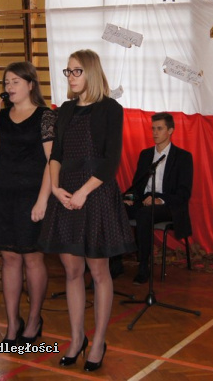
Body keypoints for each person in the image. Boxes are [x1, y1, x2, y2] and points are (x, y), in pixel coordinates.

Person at [39, 49, 135, 372]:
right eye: (68, 71)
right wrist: (55, 188)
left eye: (76, 71)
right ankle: (77, 337)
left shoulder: (110, 109)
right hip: (66, 193)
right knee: (72, 271)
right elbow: (56, 155)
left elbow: (111, 160)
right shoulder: (65, 110)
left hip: (95, 193)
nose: (71, 77)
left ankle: (98, 342)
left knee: (98, 271)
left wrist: (83, 192)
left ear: (91, 72)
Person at [0, 61, 54, 344]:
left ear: (31, 84)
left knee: (33, 258)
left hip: (32, 195)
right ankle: (12, 323)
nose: (9, 87)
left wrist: (42, 200)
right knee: (9, 257)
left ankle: (34, 319)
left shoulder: (45, 116)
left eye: (15, 82)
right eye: (6, 82)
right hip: (3, 193)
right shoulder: (1, 115)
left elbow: (52, 162)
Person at [122, 112, 193, 284]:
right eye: (153, 128)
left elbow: (183, 193)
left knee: (144, 214)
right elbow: (137, 186)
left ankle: (144, 266)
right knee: (117, 207)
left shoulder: (183, 157)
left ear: (170, 130)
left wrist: (160, 200)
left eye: (159, 129)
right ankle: (115, 261)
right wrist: (128, 198)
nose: (155, 133)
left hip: (169, 204)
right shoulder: (146, 155)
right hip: (145, 199)